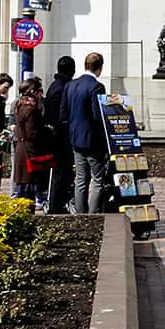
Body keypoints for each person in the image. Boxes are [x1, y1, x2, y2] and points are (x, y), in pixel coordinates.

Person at [62, 52, 110, 215]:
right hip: (93, 140)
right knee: (98, 179)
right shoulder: (97, 86)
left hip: (75, 138)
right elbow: (98, 116)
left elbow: (64, 114)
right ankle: (94, 214)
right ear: (100, 68)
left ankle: (81, 214)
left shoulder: (70, 85)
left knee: (81, 180)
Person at [43, 56, 77, 213]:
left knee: (61, 172)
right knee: (60, 172)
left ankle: (58, 202)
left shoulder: (55, 86)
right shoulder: (64, 87)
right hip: (60, 137)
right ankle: (56, 205)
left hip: (55, 135)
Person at [10, 77, 51, 206]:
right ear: (33, 92)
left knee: (23, 187)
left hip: (22, 150)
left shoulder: (20, 106)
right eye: (39, 91)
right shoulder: (31, 111)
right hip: (30, 152)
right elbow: (32, 134)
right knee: (29, 188)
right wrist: (49, 131)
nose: (41, 94)